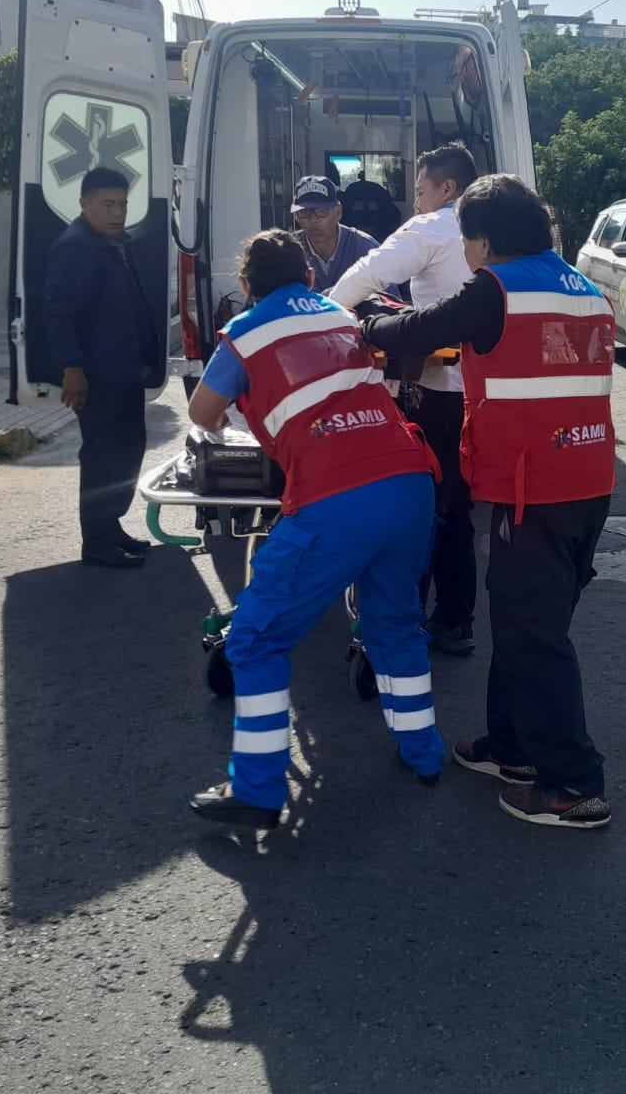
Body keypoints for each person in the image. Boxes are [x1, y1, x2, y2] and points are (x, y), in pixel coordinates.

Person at [359, 174, 614, 830]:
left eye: (468, 241)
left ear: (484, 240)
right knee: (525, 619)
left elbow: (418, 329)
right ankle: (512, 746)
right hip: (586, 477)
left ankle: (572, 785)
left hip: (536, 486)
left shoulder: (497, 288)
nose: (467, 254)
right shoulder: (580, 285)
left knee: (535, 634)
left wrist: (366, 321)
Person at [184, 230, 446, 830]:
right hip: (409, 481)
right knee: (394, 624)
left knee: (255, 639)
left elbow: (202, 413)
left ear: (246, 284)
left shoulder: (245, 331)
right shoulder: (340, 315)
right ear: (307, 277)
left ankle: (256, 791)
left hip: (337, 496)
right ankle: (423, 753)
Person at [332, 144, 481, 656]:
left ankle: (405, 616)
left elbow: (365, 275)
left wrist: (319, 319)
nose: (416, 203)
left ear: (447, 189)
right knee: (458, 509)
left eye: (420, 191)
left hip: (437, 393)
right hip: (484, 395)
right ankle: (455, 620)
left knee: (420, 509)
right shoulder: (494, 231)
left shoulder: (432, 227)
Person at [45, 167, 164, 568]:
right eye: (107, 204)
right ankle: (96, 541)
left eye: (122, 205)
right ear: (84, 204)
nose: (117, 213)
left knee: (127, 452)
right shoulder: (75, 246)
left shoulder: (111, 243)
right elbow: (60, 312)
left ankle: (111, 528)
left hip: (123, 371)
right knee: (103, 457)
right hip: (97, 376)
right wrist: (71, 368)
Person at [289, 175, 378, 294]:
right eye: (304, 212)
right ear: (296, 217)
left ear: (338, 212)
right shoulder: (288, 251)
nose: (313, 219)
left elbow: (390, 301)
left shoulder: (366, 248)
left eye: (322, 211)